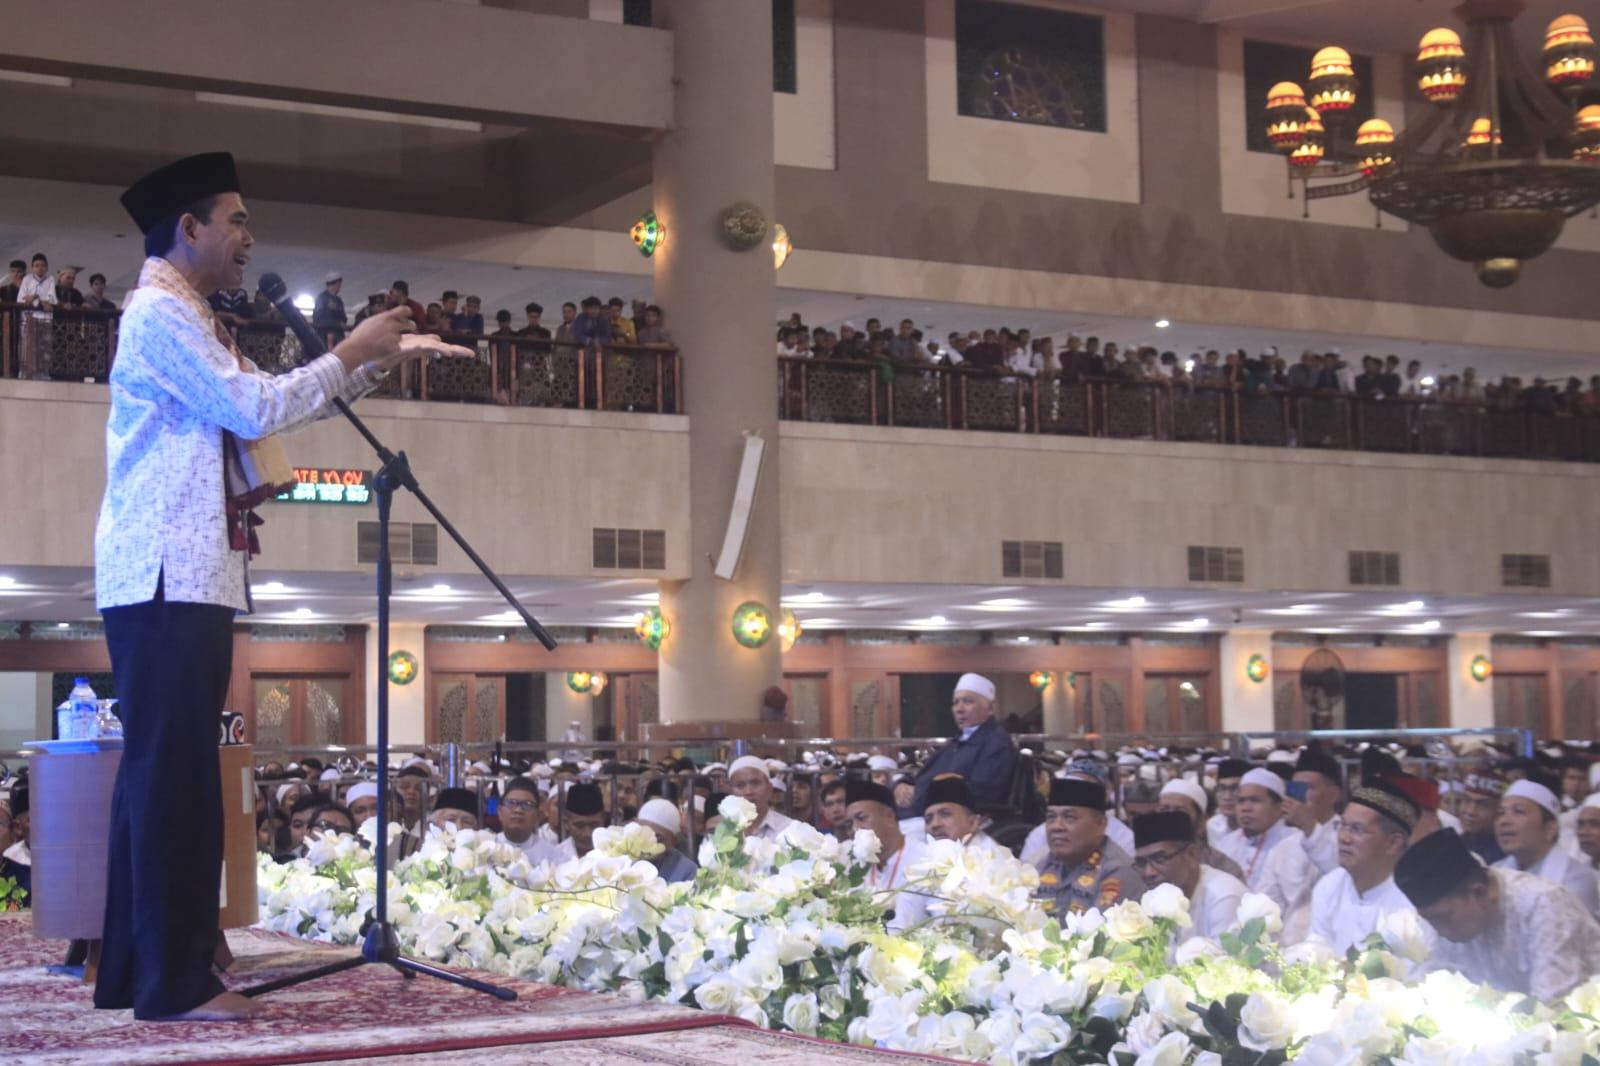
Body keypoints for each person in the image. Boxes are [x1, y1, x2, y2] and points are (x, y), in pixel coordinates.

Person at [91, 151, 467, 1024]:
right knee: (173, 776)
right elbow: (254, 410)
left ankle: (136, 973)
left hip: (179, 570)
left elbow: (272, 399)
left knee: (162, 772)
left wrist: (373, 361)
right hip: (166, 569)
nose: (249, 238)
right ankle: (173, 984)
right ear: (189, 228)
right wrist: (349, 348)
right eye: (237, 221)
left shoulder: (186, 314)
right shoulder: (159, 312)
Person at [1397, 828, 1600, 1001]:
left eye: (1443, 919)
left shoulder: (1544, 905)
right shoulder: (1444, 916)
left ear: (1479, 893)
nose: (1439, 932)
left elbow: (1555, 1005)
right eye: (1430, 921)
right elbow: (1427, 981)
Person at [1304, 779, 1428, 957]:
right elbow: (1316, 952)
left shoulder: (1416, 901)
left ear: (1393, 843)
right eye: (1342, 825)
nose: (1344, 838)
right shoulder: (1330, 886)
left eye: (1357, 829)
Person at [1256, 745, 1344, 935]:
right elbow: (1266, 907)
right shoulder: (1283, 848)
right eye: (1295, 788)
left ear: (1333, 794)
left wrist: (1310, 827)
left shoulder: (1348, 837)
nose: (1299, 796)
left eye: (1309, 788)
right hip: (1290, 945)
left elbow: (1345, 879)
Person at [1032, 778, 1144, 918]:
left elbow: (1098, 930)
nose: (1056, 826)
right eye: (1051, 817)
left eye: (1069, 818)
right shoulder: (1044, 863)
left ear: (1101, 824)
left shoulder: (1117, 870)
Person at [909, 673, 1017, 814]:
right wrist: (903, 783)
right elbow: (925, 772)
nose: (959, 709)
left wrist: (921, 794)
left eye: (968, 701)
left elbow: (981, 793)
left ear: (991, 708)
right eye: (955, 703)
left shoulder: (996, 742)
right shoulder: (956, 742)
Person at [1131, 811, 1244, 944]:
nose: (1149, 872)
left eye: (1160, 858)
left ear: (1192, 854)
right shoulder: (1153, 899)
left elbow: (1227, 957)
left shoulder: (1223, 896)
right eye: (1141, 863)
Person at [1493, 777, 1599, 914]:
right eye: (1500, 813)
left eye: (1518, 811)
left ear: (1550, 828)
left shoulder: (1576, 878)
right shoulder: (1494, 872)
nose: (1504, 821)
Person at [844, 779, 926, 931]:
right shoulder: (853, 867)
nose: (855, 829)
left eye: (861, 818)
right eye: (849, 824)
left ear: (889, 817)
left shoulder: (923, 859)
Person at [1215, 767, 1301, 890]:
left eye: (1255, 800)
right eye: (1241, 801)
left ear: (1279, 807)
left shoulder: (1295, 842)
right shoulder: (1226, 844)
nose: (1245, 808)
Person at [1156, 778, 1245, 881]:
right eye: (1164, 810)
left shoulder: (1224, 868)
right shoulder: (1145, 862)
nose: (1170, 817)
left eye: (1180, 812)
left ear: (1202, 820)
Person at [922, 774, 1005, 856]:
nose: (935, 824)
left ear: (972, 823)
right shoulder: (927, 855)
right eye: (928, 820)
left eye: (945, 814)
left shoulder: (990, 859)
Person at [498, 776, 573, 866]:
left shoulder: (554, 857)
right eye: (511, 803)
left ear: (537, 815)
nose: (518, 810)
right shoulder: (487, 847)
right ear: (500, 812)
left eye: (527, 804)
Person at [727, 756, 793, 840]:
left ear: (769, 788)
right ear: (731, 792)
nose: (748, 791)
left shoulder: (790, 829)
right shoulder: (720, 831)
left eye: (755, 783)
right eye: (740, 785)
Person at [634, 798, 697, 883]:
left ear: (673, 841)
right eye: (642, 833)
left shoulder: (686, 870)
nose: (648, 842)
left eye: (658, 838)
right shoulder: (620, 856)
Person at [1457, 770, 1506, 863]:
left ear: (1500, 811)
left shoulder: (1509, 855)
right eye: (1467, 800)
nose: (1470, 811)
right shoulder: (1453, 845)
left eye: (1483, 805)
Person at [1206, 758, 1250, 843]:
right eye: (1222, 788)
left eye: (1235, 788)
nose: (1227, 797)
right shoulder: (1213, 826)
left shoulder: (1262, 829)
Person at [560, 781, 608, 857]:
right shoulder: (555, 857)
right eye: (579, 826)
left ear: (603, 819)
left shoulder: (617, 854)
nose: (587, 834)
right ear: (566, 822)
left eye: (594, 825)